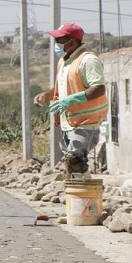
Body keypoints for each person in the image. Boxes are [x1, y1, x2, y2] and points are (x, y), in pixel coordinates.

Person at [33, 22, 107, 176]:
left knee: (75, 160)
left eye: (59, 41)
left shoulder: (88, 60)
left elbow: (99, 88)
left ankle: (84, 196)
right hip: (69, 122)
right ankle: (79, 195)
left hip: (86, 122)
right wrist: (46, 96)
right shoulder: (64, 61)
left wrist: (70, 100)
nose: (56, 44)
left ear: (71, 42)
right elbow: (63, 87)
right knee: (73, 164)